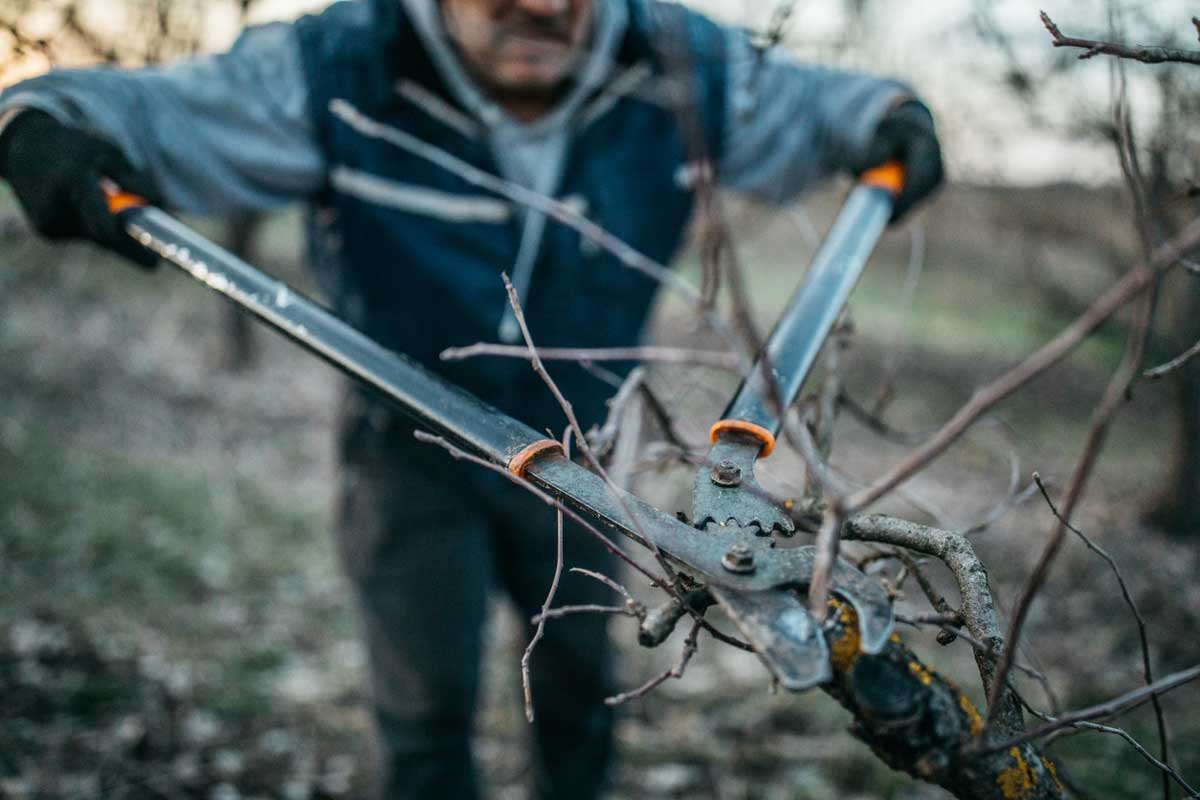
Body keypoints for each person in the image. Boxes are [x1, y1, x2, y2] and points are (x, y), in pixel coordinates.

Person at [0, 0, 943, 797]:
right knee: (424, 716)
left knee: (582, 696)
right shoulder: (336, 63)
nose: (541, 6)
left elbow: (828, 108)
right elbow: (127, 111)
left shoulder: (680, 63)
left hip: (592, 456)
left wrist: (893, 118)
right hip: (406, 447)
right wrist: (43, 123)